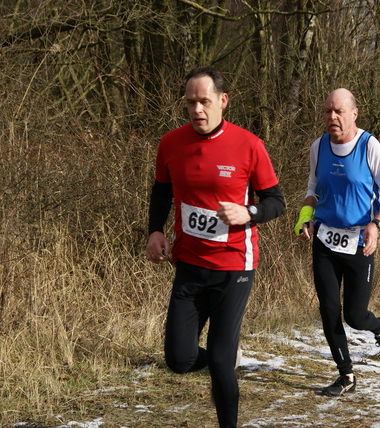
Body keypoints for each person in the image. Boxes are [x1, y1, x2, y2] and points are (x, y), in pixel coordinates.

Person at [146, 66, 285, 427]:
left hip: (234, 267)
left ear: (222, 101)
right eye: (190, 103)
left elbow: (276, 202)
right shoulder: (171, 143)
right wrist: (154, 231)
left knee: (221, 364)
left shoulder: (249, 145)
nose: (197, 110)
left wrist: (248, 212)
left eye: (204, 102)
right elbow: (162, 190)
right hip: (189, 265)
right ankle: (225, 356)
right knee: (178, 359)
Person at [294, 88, 380, 396]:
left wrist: (376, 224)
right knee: (329, 309)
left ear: (353, 114)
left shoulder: (369, 146)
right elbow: (313, 187)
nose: (332, 117)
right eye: (327, 111)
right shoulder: (319, 146)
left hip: (358, 242)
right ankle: (346, 376)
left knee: (355, 315)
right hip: (325, 240)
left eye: (338, 111)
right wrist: (305, 216)